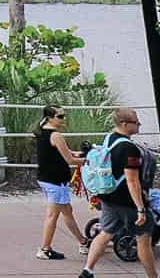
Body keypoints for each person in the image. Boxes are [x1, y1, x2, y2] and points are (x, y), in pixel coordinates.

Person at [80, 107, 155, 278]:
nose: (139, 125)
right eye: (136, 123)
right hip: (127, 201)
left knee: (106, 232)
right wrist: (140, 208)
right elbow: (132, 180)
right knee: (143, 239)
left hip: (107, 196)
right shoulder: (130, 149)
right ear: (124, 124)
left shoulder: (108, 139)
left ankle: (88, 270)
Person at [32, 104, 86, 260]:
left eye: (64, 115)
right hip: (55, 181)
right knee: (52, 216)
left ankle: (83, 241)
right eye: (60, 116)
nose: (63, 119)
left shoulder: (42, 130)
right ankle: (44, 249)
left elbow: (64, 152)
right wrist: (88, 160)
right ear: (50, 117)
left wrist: (78, 154)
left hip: (46, 178)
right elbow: (70, 159)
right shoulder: (56, 135)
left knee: (67, 211)